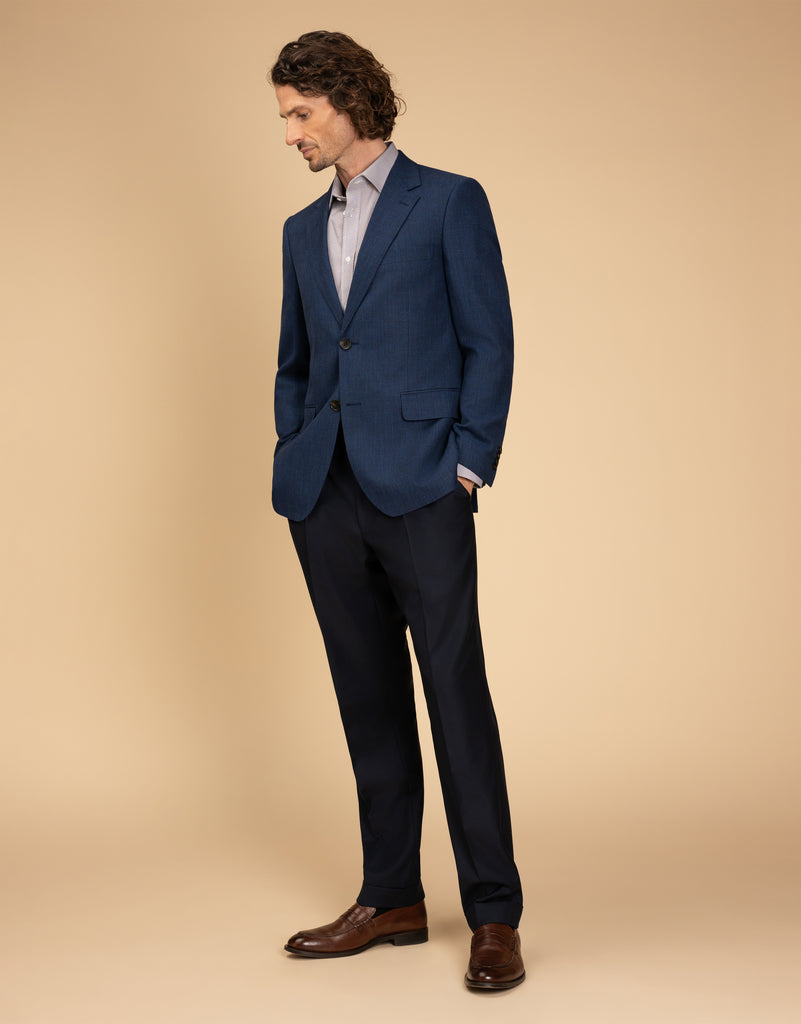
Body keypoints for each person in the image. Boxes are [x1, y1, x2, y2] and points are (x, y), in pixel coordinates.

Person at [269, 30, 525, 991]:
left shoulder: (447, 201)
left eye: (300, 113)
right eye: (284, 116)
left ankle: (493, 912)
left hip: (422, 483)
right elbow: (298, 360)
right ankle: (391, 898)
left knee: (455, 694)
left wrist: (469, 464)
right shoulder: (300, 231)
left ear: (347, 101)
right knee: (366, 696)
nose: (289, 133)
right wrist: (294, 451)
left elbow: (489, 339)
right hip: (324, 492)